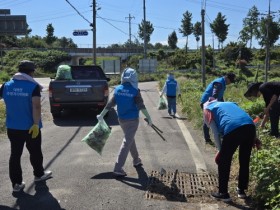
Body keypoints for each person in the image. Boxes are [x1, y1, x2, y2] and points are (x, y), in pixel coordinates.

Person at [0, 60, 52, 193]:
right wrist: (35, 124)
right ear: (31, 72)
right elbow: (36, 106)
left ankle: (16, 184)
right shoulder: (32, 86)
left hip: (13, 126)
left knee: (15, 155)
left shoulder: (6, 85)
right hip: (30, 127)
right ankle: (39, 175)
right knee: (35, 151)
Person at [96, 67, 152, 177]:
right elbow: (141, 106)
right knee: (127, 141)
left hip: (121, 120)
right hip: (132, 120)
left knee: (129, 139)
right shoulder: (135, 91)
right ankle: (118, 168)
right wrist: (149, 118)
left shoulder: (117, 89)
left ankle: (136, 160)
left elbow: (109, 105)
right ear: (134, 78)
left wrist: (101, 115)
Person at [203, 100, 261, 202]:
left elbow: (215, 133)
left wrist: (221, 151)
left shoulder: (208, 110)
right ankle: (241, 191)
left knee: (224, 161)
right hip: (250, 127)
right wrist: (254, 138)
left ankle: (223, 193)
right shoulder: (231, 103)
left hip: (232, 128)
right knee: (244, 160)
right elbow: (244, 118)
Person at [200, 72, 236, 144]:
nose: (230, 83)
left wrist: (223, 104)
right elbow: (215, 94)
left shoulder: (222, 82)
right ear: (227, 78)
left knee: (210, 120)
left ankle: (212, 138)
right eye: (230, 81)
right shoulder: (219, 83)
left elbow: (220, 95)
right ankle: (208, 139)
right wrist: (215, 105)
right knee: (209, 120)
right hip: (207, 102)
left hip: (211, 102)